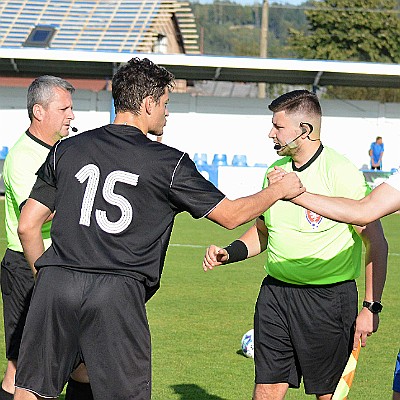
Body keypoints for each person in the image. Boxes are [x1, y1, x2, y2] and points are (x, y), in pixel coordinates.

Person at [13, 58, 304, 400]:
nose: (167, 113)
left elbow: (27, 225)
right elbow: (232, 215)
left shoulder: (66, 148)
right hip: (117, 294)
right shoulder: (168, 162)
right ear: (148, 104)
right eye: (165, 104)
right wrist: (279, 190)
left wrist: (45, 280)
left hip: (56, 282)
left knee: (31, 392)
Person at [202, 90, 388, 400]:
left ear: (304, 130)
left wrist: (371, 307)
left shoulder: (342, 173)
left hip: (328, 300)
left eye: (278, 127)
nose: (270, 133)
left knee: (327, 394)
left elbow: (376, 243)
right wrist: (229, 252)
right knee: (266, 389)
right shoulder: (275, 174)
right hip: (276, 296)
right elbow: (263, 232)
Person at [0, 75, 93, 400]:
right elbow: (34, 217)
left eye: (72, 107)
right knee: (21, 367)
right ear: (39, 112)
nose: (71, 115)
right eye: (64, 108)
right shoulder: (25, 157)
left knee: (82, 362)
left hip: (59, 265)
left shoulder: (57, 151)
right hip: (28, 266)